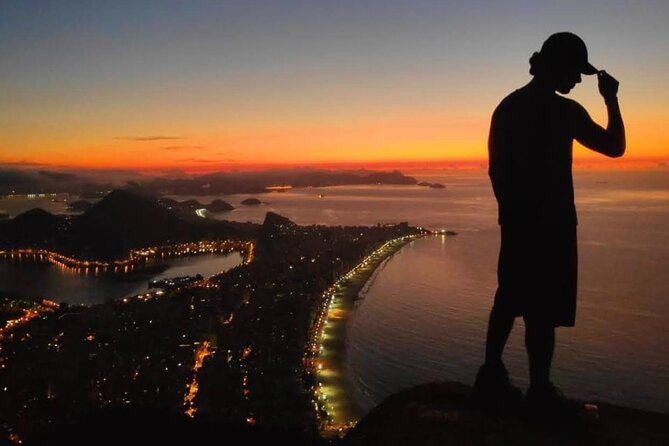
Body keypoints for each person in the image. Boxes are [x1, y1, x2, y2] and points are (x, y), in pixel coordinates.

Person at [472, 32, 625, 415]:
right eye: (575, 72)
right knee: (541, 314)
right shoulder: (565, 112)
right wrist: (611, 99)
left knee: (508, 298)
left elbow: (496, 169)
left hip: (517, 221)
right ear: (558, 66)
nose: (576, 81)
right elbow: (615, 147)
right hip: (553, 224)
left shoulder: (507, 107)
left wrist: (510, 209)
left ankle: (490, 376)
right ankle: (539, 391)